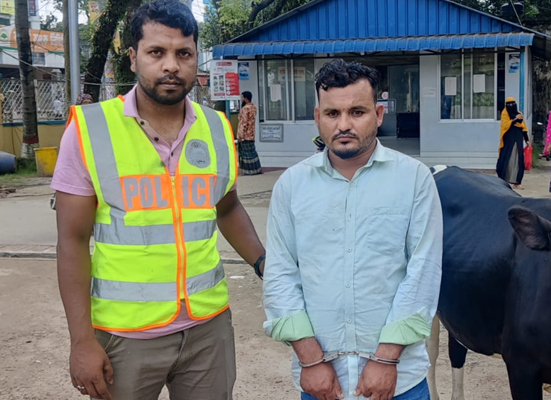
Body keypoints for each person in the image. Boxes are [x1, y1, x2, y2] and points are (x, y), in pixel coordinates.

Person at [50, 1, 266, 399]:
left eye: (183, 53)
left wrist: (263, 262)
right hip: (125, 334)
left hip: (208, 326)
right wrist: (81, 340)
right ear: (133, 58)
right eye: (156, 53)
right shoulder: (90, 129)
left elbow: (228, 206)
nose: (171, 65)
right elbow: (72, 241)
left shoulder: (217, 127)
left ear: (196, 58)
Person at [263, 59, 443, 400]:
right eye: (332, 114)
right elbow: (280, 275)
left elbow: (423, 272)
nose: (344, 124)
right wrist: (310, 360)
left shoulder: (414, 180)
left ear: (378, 114)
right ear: (317, 118)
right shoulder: (291, 186)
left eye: (357, 112)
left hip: (399, 380)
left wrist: (385, 359)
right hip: (320, 379)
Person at [496, 97, 530, 189]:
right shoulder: (504, 114)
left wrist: (527, 140)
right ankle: (503, 181)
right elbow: (505, 125)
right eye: (509, 104)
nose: (511, 106)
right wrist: (515, 119)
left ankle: (517, 182)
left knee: (518, 160)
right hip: (508, 141)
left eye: (513, 104)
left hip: (518, 140)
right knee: (506, 159)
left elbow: (524, 128)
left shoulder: (519, 114)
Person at [237, 90, 262, 175]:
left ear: (245, 98)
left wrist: (240, 135)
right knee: (252, 152)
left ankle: (248, 171)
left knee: (246, 154)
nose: (241, 99)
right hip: (251, 134)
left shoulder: (245, 109)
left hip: (245, 135)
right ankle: (256, 169)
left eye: (242, 97)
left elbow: (243, 123)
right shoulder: (254, 107)